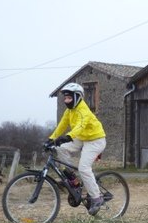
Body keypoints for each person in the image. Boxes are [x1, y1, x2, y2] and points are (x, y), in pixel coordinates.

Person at [45, 82, 106, 215]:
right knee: (60, 149)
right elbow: (62, 125)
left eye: (69, 98)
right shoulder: (69, 111)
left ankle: (97, 197)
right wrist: (51, 139)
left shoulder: (83, 110)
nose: (66, 100)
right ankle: (73, 180)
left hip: (96, 140)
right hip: (82, 138)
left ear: (77, 97)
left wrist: (68, 137)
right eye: (65, 98)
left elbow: (81, 126)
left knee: (84, 167)